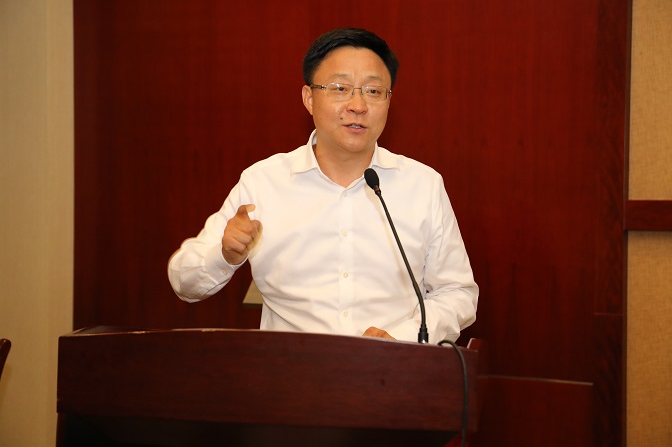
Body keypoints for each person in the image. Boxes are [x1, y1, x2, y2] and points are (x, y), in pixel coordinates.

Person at [168, 27, 478, 344]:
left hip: (391, 369)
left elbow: (457, 293)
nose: (358, 105)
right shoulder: (263, 183)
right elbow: (184, 281)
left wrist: (401, 338)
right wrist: (224, 254)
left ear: (388, 101)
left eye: (373, 91)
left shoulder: (422, 185)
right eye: (340, 88)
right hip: (291, 371)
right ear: (309, 99)